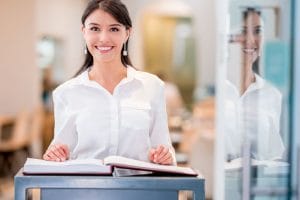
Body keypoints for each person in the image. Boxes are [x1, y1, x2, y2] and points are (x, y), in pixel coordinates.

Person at [42, 0, 175, 165]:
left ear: (127, 33)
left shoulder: (152, 86)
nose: (104, 38)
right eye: (95, 29)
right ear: (84, 32)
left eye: (114, 29)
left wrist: (165, 156)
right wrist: (55, 155)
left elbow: (165, 149)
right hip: (85, 189)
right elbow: (61, 156)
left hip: (139, 188)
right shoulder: (65, 93)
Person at [225, 8, 285, 161]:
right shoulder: (217, 89)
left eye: (258, 31)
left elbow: (274, 156)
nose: (251, 40)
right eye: (243, 31)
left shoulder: (272, 94)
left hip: (256, 183)